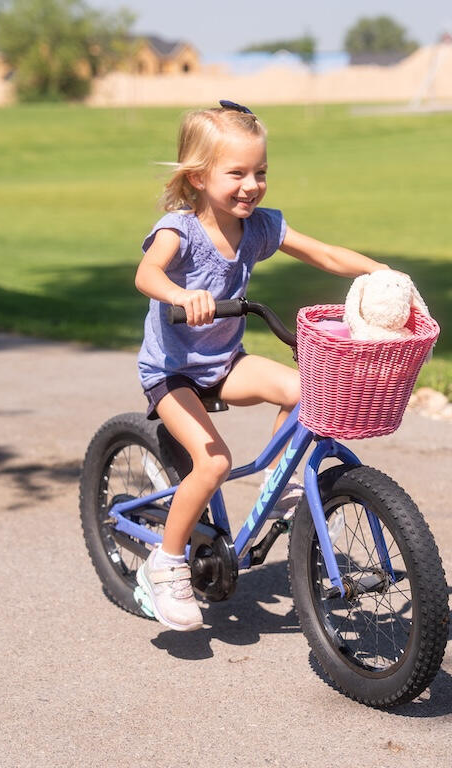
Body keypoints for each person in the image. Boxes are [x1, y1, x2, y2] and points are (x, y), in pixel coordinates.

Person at [134, 100, 401, 632]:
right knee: (212, 465)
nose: (251, 185)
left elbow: (323, 254)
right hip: (173, 372)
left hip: (225, 361)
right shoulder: (179, 230)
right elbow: (147, 274)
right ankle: (164, 567)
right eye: (237, 173)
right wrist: (180, 295)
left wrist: (382, 273)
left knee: (308, 393)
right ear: (197, 176)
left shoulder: (257, 227)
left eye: (261, 172)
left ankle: (281, 490)